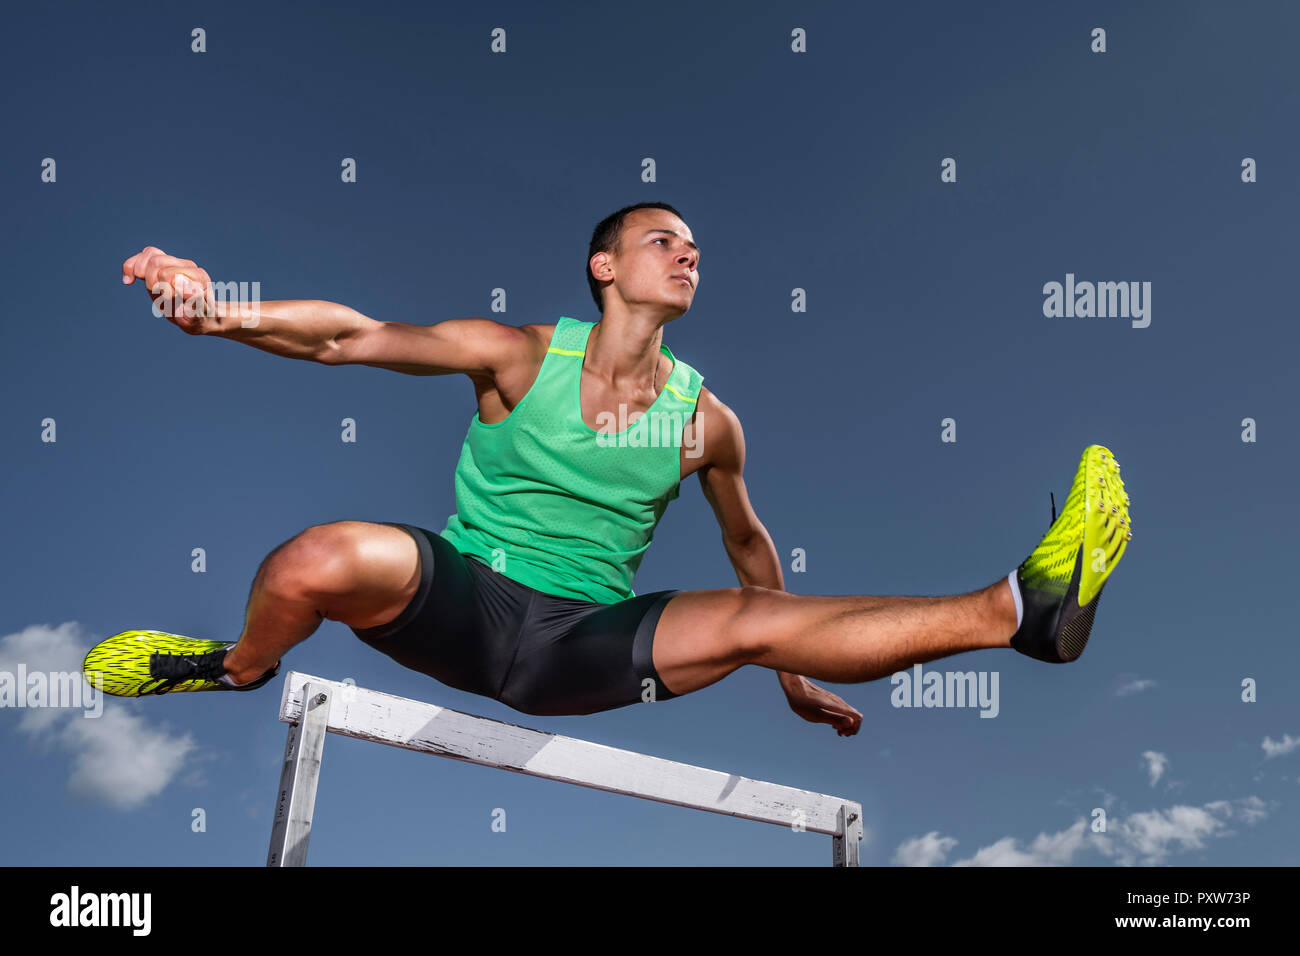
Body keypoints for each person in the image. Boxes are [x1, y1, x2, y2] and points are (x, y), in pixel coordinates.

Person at [83, 202, 1131, 737]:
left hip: (581, 642)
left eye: (695, 251)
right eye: (663, 240)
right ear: (604, 263)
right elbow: (349, 338)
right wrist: (215, 312)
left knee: (746, 614)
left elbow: (751, 547)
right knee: (315, 557)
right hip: (465, 596)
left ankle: (1016, 610)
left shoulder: (705, 419)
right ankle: (237, 665)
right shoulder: (519, 353)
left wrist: (798, 679)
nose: (687, 256)